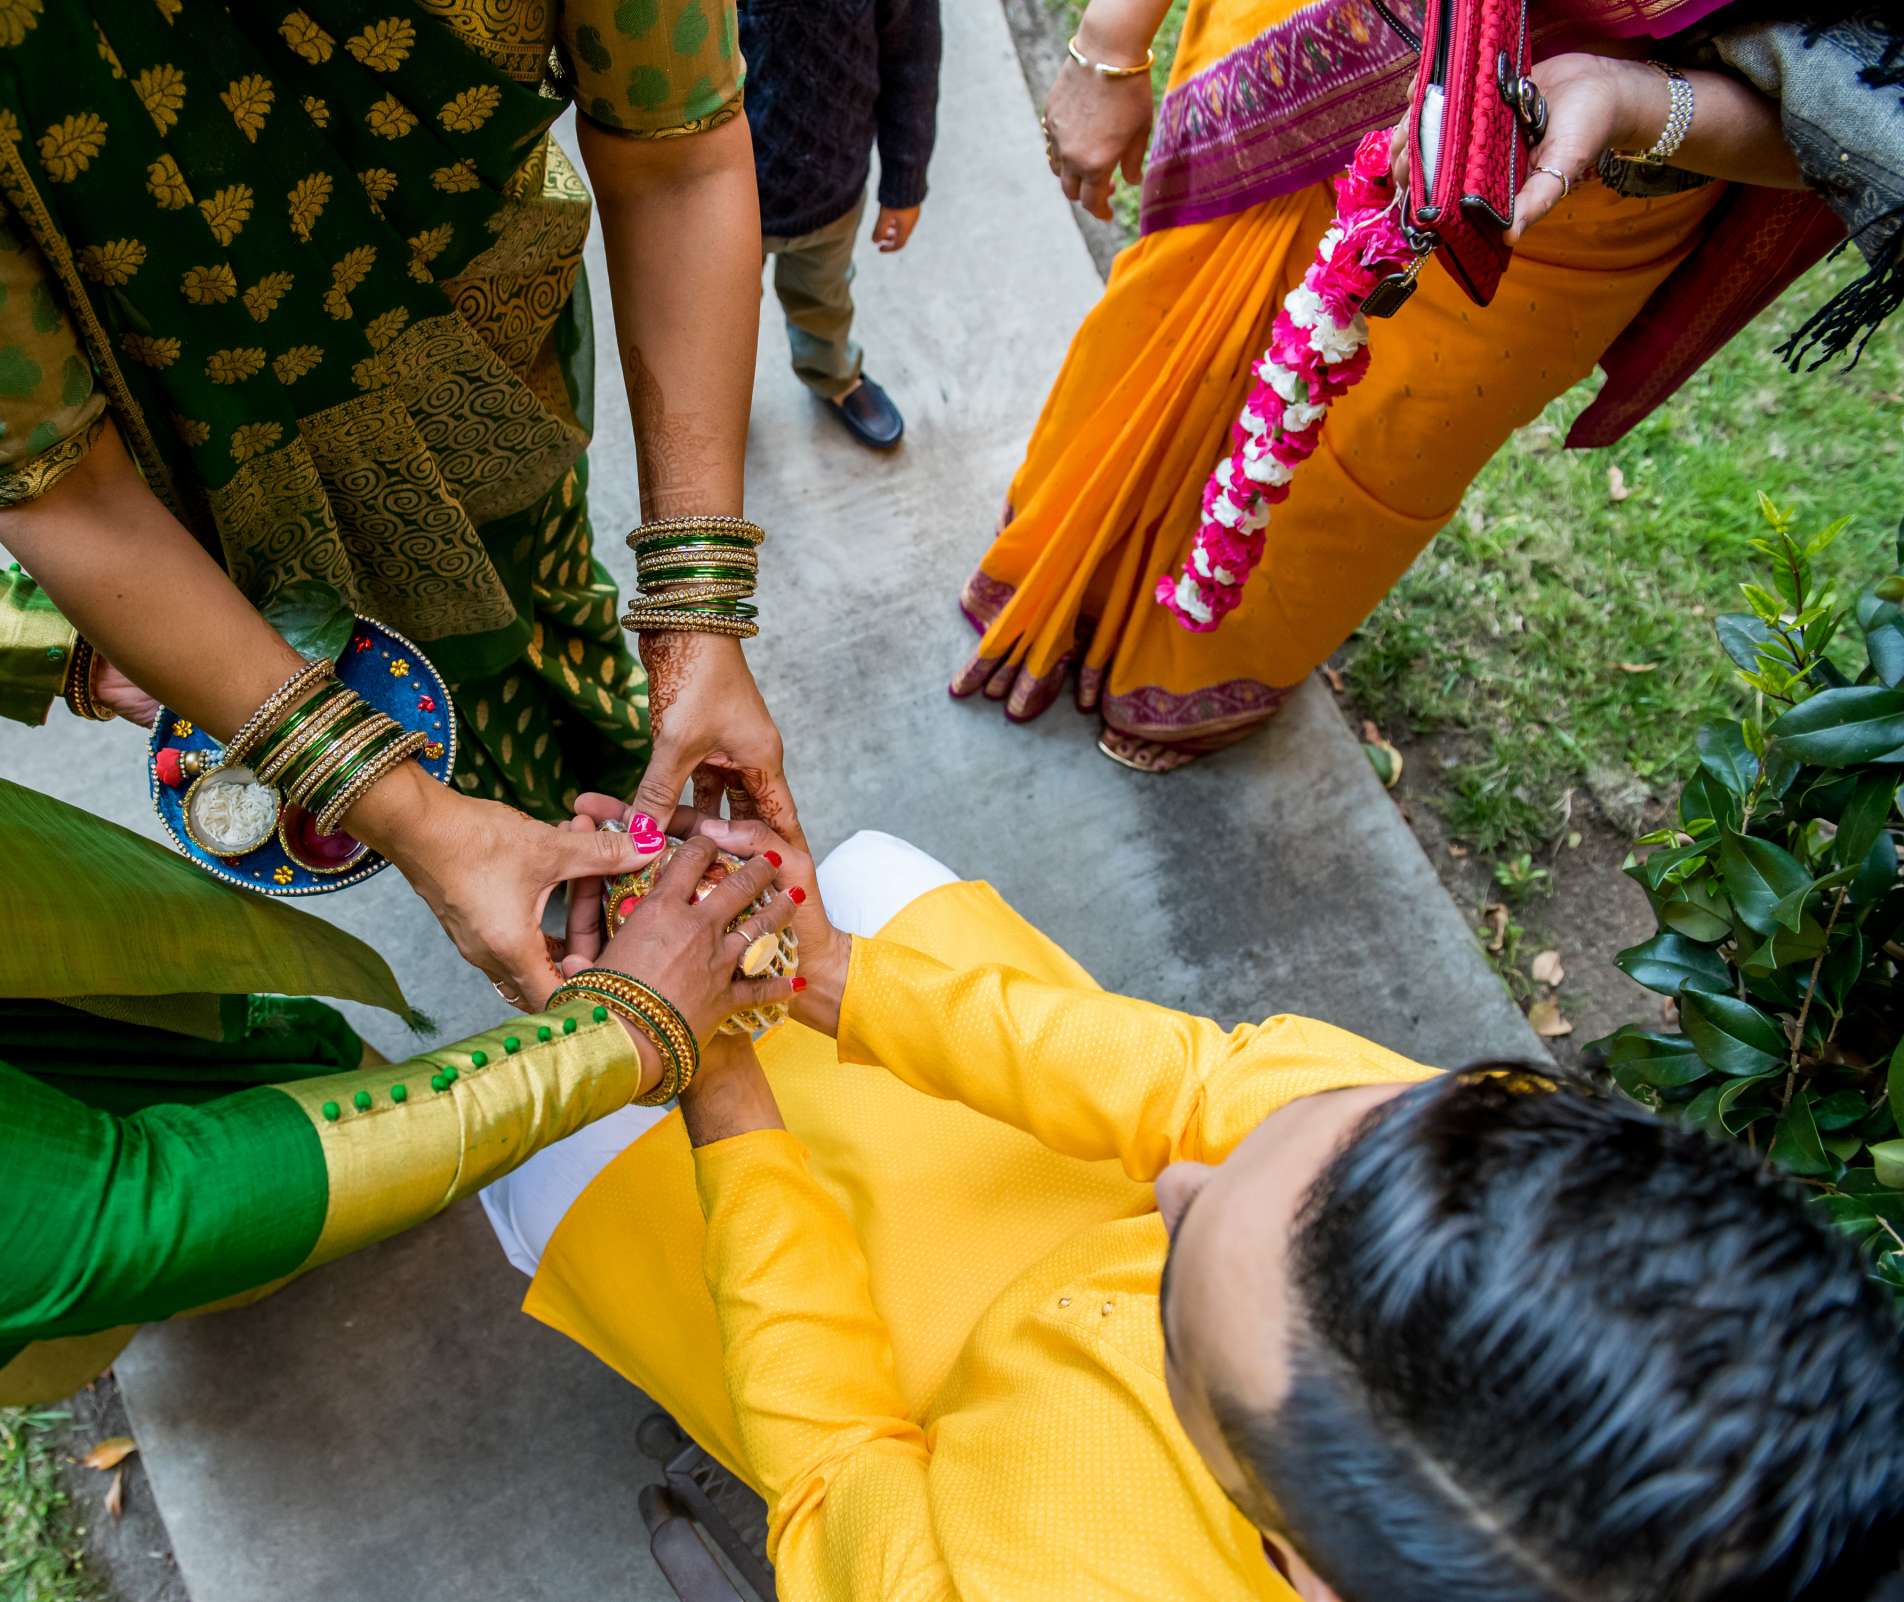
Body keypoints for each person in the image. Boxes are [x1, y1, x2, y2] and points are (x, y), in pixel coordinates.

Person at [0, 0, 795, 1427]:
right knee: (145, 1240)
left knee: (201, 1029)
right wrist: (621, 1033)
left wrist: (695, 612)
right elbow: (105, 1218)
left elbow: (676, 147)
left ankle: (313, 1075)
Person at [484, 814, 1904, 1601]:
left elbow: (839, 1465)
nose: (1170, 1181)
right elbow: (1181, 1087)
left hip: (900, 1407)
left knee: (530, 1147)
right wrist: (825, 976)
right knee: (860, 871)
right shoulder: (1480, 1167)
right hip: (1003, 1205)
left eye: (1181, 1296)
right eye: (1296, 1140)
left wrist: (723, 1082)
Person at [0, 0, 798, 1009]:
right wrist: (419, 823)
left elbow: (679, 152)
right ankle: (530, 821)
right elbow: (50, 476)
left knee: (556, 584)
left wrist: (694, 614)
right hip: (218, 477)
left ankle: (602, 754)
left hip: (504, 366)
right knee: (436, 707)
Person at [956, 0, 1902, 770]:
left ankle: (1198, 662)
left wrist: (1625, 100)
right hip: (1310, 46)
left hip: (1565, 183)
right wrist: (1110, 43)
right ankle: (1077, 576)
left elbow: (1877, 107)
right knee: (1168, 327)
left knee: (1376, 452)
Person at [738, 0, 941, 450]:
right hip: (722, 198)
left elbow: (913, 59)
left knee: (824, 299)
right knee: (720, 317)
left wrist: (905, 183)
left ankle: (832, 375)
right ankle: (720, 402)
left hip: (831, 188)